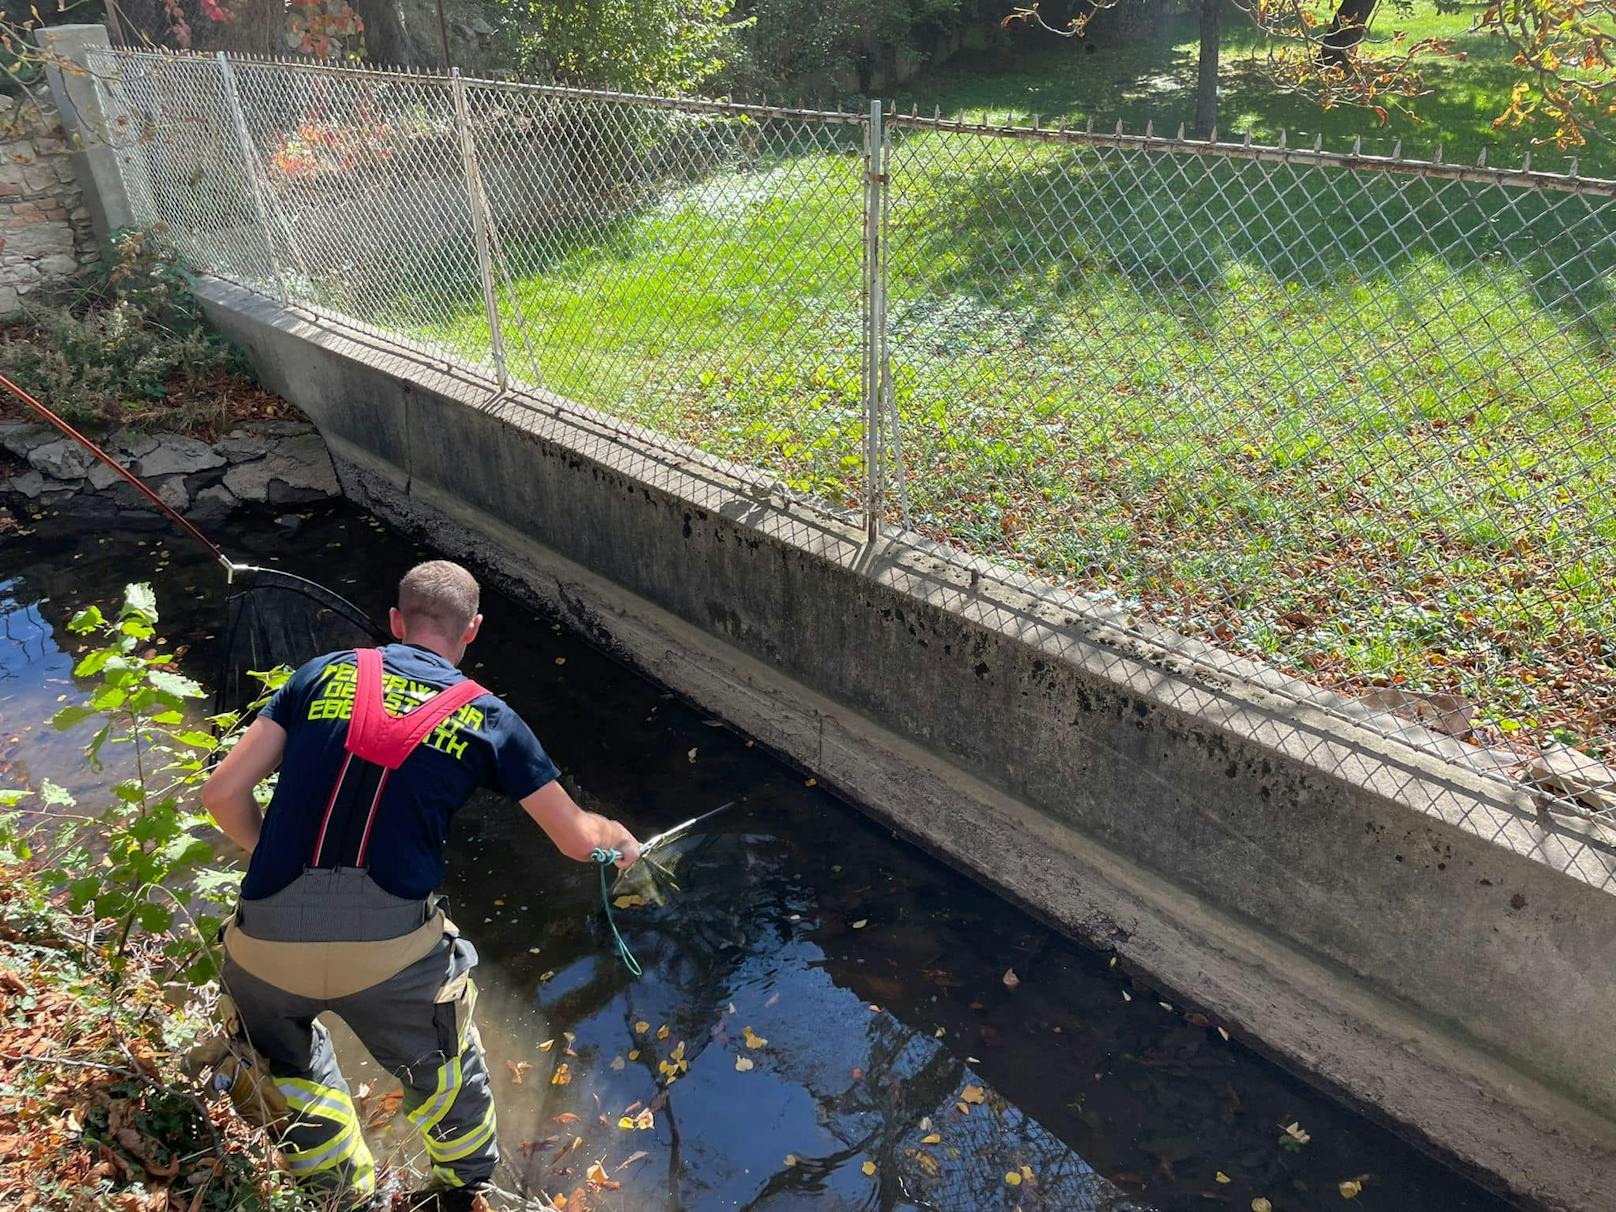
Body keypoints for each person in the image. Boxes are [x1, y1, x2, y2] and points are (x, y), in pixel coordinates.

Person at [201, 559, 641, 1212]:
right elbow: (576, 839)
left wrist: (277, 864)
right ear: (474, 630)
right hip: (390, 958)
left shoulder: (319, 675)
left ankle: (340, 1196)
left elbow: (221, 793)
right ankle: (462, 1191)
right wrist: (619, 838)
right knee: (447, 1078)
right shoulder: (489, 719)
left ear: (396, 622)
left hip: (264, 945)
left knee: (291, 1075)